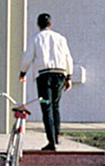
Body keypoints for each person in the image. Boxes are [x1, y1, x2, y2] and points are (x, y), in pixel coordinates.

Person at [16, 12, 73, 152]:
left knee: (46, 107)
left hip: (44, 75)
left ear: (38, 25)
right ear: (50, 24)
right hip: (60, 73)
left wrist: (23, 72)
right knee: (55, 105)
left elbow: (28, 57)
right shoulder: (61, 38)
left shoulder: (35, 38)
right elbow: (68, 57)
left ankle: (51, 141)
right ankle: (57, 134)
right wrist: (69, 77)